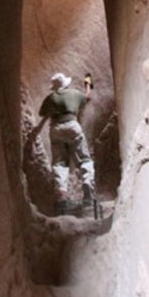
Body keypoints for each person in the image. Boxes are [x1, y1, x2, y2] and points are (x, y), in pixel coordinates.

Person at [38, 72, 95, 215]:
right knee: (84, 158)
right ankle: (87, 184)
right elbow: (88, 97)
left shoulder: (50, 98)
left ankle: (62, 195)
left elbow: (41, 113)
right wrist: (88, 83)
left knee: (60, 163)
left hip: (56, 128)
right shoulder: (74, 93)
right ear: (66, 83)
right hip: (72, 125)